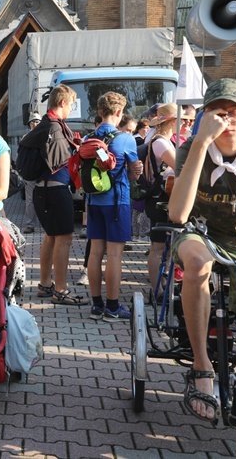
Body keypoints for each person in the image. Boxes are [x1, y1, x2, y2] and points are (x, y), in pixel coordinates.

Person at [168, 78, 236, 423]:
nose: (226, 121)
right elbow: (178, 214)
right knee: (198, 263)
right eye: (217, 112)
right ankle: (202, 365)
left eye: (234, 113)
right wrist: (201, 142)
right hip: (199, 232)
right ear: (203, 115)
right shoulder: (193, 146)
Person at [20, 84, 87, 306]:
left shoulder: (47, 125)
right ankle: (60, 289)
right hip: (55, 191)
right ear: (62, 103)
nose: (71, 109)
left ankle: (45, 284)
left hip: (43, 191)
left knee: (51, 236)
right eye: (71, 104)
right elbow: (60, 162)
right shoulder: (55, 128)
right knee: (64, 239)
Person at [86, 92, 143, 321]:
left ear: (99, 112)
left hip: (93, 201)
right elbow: (132, 173)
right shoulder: (126, 139)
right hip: (117, 201)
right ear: (120, 112)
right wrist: (135, 172)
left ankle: (96, 305)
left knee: (94, 253)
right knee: (115, 255)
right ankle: (112, 307)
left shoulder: (89, 137)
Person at [143, 103, 177, 297]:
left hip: (160, 198)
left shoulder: (162, 140)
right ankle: (157, 289)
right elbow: (179, 165)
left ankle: (162, 285)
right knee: (157, 246)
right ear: (171, 121)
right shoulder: (161, 142)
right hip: (159, 199)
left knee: (163, 245)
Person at [22, 112, 42, 233]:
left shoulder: (45, 136)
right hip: (30, 173)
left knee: (44, 199)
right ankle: (30, 224)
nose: (35, 124)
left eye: (37, 121)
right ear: (29, 124)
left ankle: (46, 223)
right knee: (30, 200)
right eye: (32, 122)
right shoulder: (25, 138)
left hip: (42, 173)